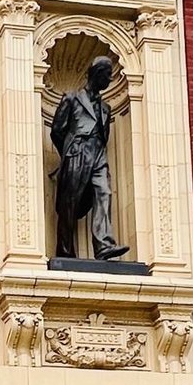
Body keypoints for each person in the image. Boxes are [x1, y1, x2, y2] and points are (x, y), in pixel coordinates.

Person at [50, 54, 129, 261]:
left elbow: (104, 137)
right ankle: (65, 251)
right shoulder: (72, 98)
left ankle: (103, 245)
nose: (109, 81)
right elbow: (57, 130)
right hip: (77, 151)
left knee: (104, 192)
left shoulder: (106, 108)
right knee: (70, 202)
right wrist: (69, 152)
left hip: (98, 154)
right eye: (107, 76)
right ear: (97, 74)